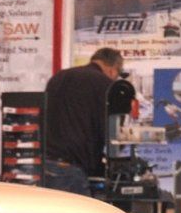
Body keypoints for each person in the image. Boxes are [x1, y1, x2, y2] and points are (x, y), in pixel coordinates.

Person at [40, 48, 125, 195]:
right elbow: (110, 133)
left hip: (43, 165)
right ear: (113, 70)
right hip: (72, 169)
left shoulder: (58, 77)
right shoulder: (105, 85)